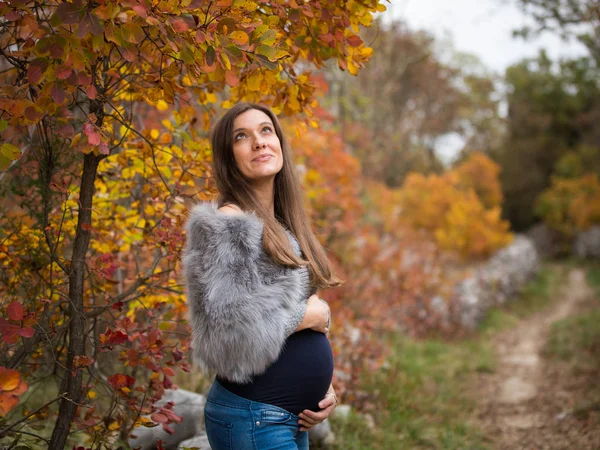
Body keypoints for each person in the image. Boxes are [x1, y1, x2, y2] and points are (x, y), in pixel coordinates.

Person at [182, 102, 342, 450]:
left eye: (266, 130)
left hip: (287, 417)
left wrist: (322, 386)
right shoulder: (227, 224)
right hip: (252, 417)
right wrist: (308, 315)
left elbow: (293, 314)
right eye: (242, 136)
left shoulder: (283, 225)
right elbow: (231, 336)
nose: (259, 142)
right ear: (229, 157)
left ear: (280, 143)